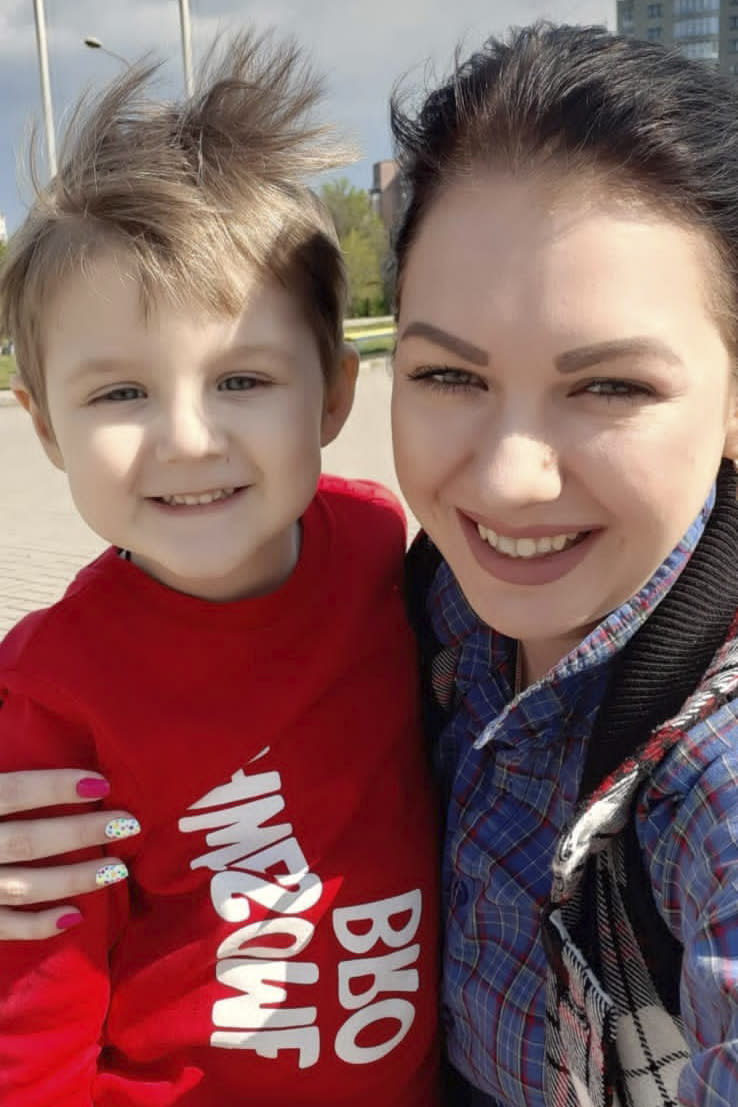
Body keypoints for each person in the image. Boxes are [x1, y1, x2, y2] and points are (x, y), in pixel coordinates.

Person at [3, 20, 738, 1107]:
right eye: (449, 375)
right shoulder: (436, 597)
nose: (511, 479)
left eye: (609, 385)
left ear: (333, 392)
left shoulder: (708, 785)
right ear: (44, 426)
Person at [0, 31, 440, 1107]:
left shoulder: (378, 548)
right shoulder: (48, 695)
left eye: (242, 379)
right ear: (44, 427)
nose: (187, 438)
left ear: (334, 397)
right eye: (118, 394)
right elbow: (33, 1017)